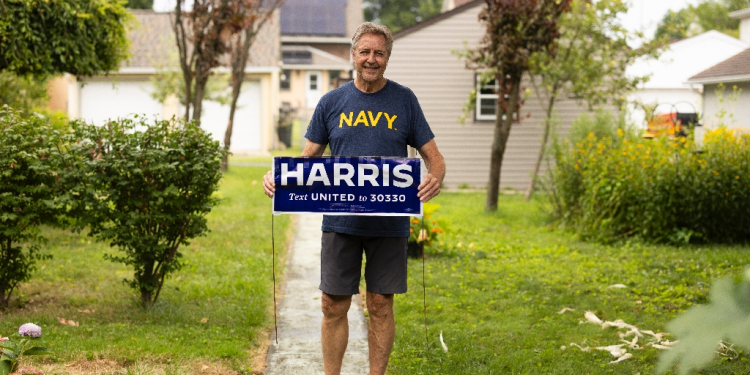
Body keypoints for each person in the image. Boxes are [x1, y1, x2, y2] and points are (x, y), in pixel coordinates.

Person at [263, 22, 445, 375]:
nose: (371, 59)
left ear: (388, 58)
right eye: (365, 51)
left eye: (379, 53)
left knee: (379, 304)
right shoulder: (331, 102)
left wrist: (434, 178)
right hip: (340, 221)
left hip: (389, 223)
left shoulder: (404, 100)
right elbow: (307, 158)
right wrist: (281, 179)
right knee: (332, 304)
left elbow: (433, 157)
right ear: (353, 55)